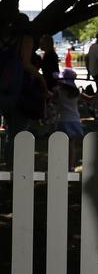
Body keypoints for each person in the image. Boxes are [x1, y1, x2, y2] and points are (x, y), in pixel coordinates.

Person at [0, 13, 46, 164]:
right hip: (18, 91)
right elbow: (26, 64)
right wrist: (41, 78)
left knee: (9, 128)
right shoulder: (26, 39)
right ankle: (13, 166)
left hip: (3, 90)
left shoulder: (3, 39)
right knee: (18, 131)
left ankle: (7, 164)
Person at [53, 68, 93, 169]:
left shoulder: (58, 91)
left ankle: (60, 164)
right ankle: (70, 166)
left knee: (61, 144)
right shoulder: (76, 93)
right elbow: (89, 99)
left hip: (62, 120)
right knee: (71, 145)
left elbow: (53, 100)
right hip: (74, 120)